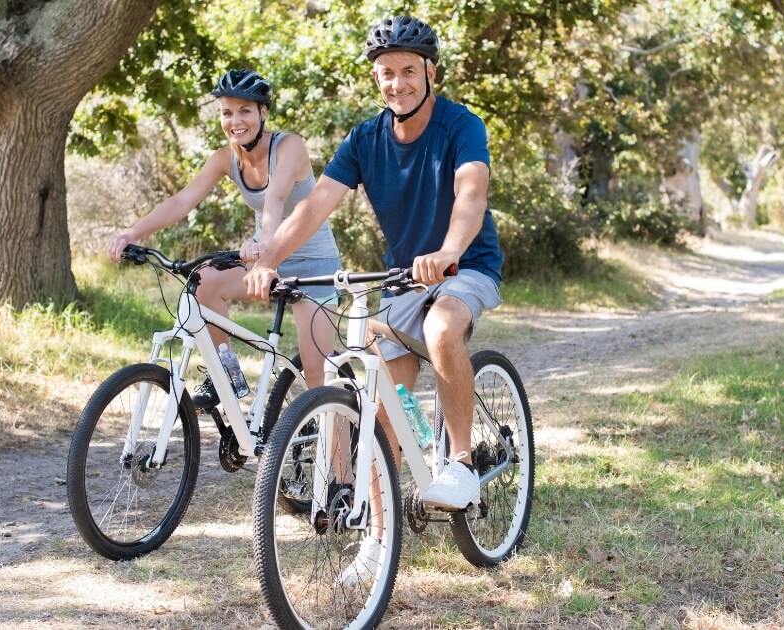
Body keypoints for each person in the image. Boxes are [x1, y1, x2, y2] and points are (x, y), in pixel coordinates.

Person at [245, 15, 503, 514]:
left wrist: (449, 251)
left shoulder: (461, 125)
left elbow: (470, 193)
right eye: (387, 72)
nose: (397, 83)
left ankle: (464, 463)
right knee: (382, 406)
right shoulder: (365, 139)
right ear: (375, 79)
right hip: (403, 276)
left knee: (441, 326)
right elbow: (315, 205)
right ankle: (376, 544)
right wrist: (270, 259)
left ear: (432, 73)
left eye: (408, 70)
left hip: (466, 265)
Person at [109, 69, 342, 404]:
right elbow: (182, 201)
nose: (235, 121)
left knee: (317, 379)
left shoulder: (290, 146)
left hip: (312, 267)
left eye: (245, 111)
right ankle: (226, 376)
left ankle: (337, 457)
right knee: (204, 283)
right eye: (227, 112)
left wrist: (264, 248)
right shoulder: (225, 159)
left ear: (263, 112)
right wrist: (133, 232)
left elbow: (275, 199)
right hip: (264, 259)